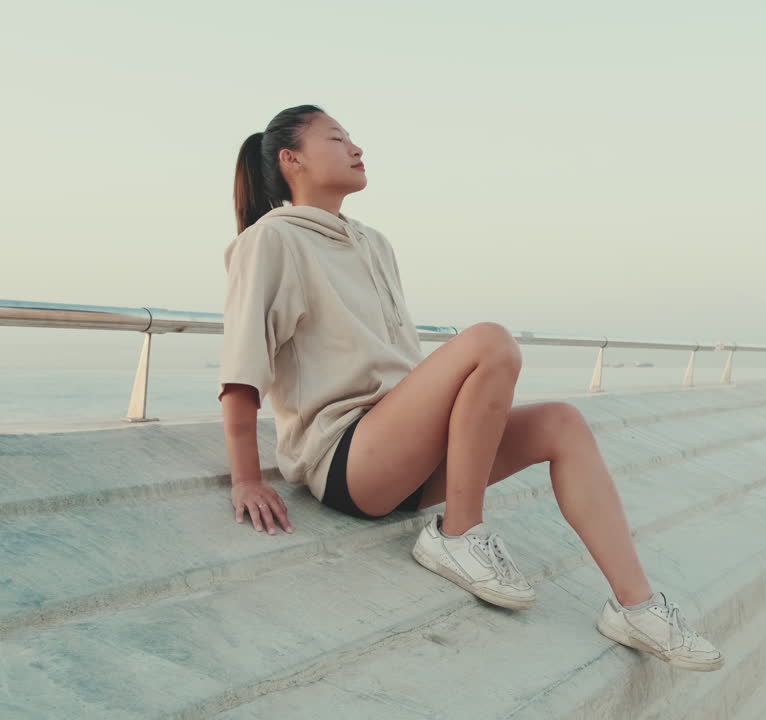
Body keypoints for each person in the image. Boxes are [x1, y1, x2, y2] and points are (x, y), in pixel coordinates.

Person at [218, 105, 723, 672]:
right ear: (292, 159)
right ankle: (459, 535)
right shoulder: (271, 240)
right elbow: (242, 365)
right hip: (348, 458)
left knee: (563, 423)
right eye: (337, 138)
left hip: (405, 452)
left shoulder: (373, 243)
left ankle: (637, 606)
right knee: (489, 341)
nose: (357, 148)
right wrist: (244, 478)